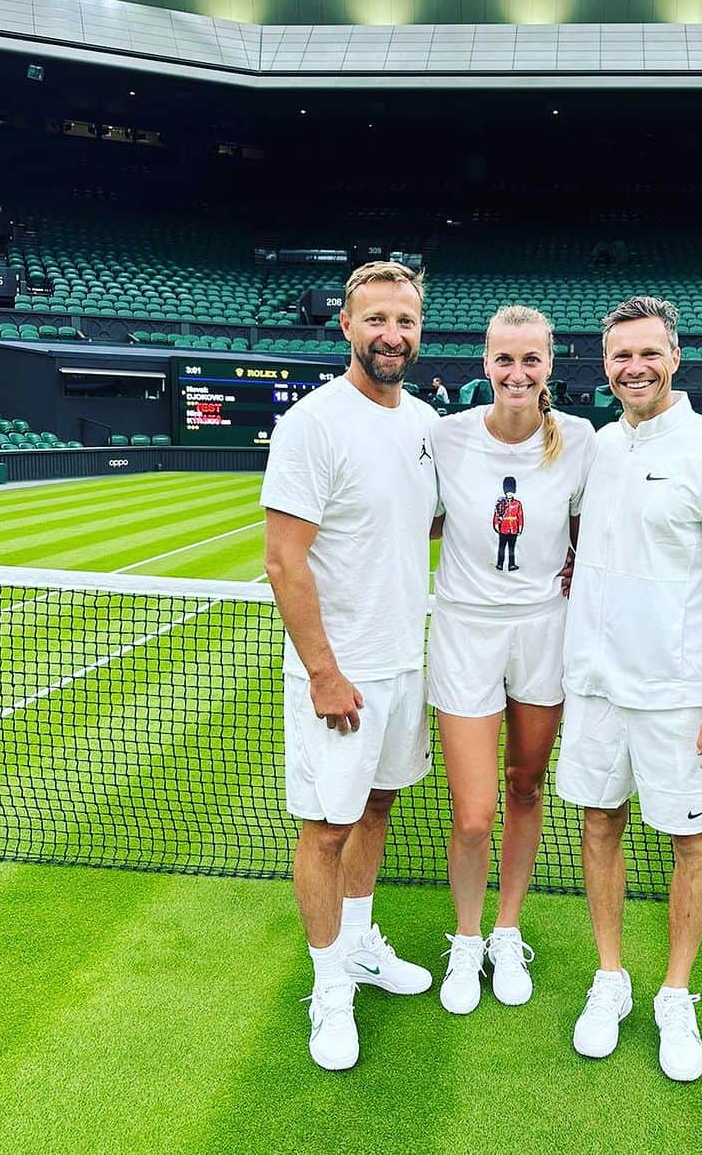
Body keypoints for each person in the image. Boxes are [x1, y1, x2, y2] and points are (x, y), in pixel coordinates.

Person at [556, 295, 702, 1083]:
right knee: (598, 825)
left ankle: (674, 994)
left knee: (691, 840)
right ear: (605, 364)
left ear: (674, 357)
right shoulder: (600, 447)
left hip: (683, 695)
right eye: (620, 355)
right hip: (597, 689)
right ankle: (610, 978)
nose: (634, 366)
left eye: (648, 352)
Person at [261, 260, 439, 1072]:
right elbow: (283, 560)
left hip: (406, 664)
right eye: (375, 319)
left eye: (403, 320)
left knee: (376, 811)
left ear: (419, 328)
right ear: (346, 325)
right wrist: (325, 672)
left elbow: (417, 530)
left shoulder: (424, 423)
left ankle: (361, 946)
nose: (390, 334)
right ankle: (330, 989)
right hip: (342, 673)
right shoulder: (313, 423)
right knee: (327, 827)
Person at [428, 305, 597, 1015]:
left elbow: (596, 529)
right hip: (464, 631)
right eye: (505, 359)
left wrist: (577, 565)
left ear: (549, 365)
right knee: (474, 813)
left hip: (544, 633)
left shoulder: (583, 441)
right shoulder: (445, 437)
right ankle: (465, 939)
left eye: (531, 360)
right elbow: (416, 518)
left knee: (526, 789)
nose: (517, 373)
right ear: (486, 363)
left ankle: (505, 930)